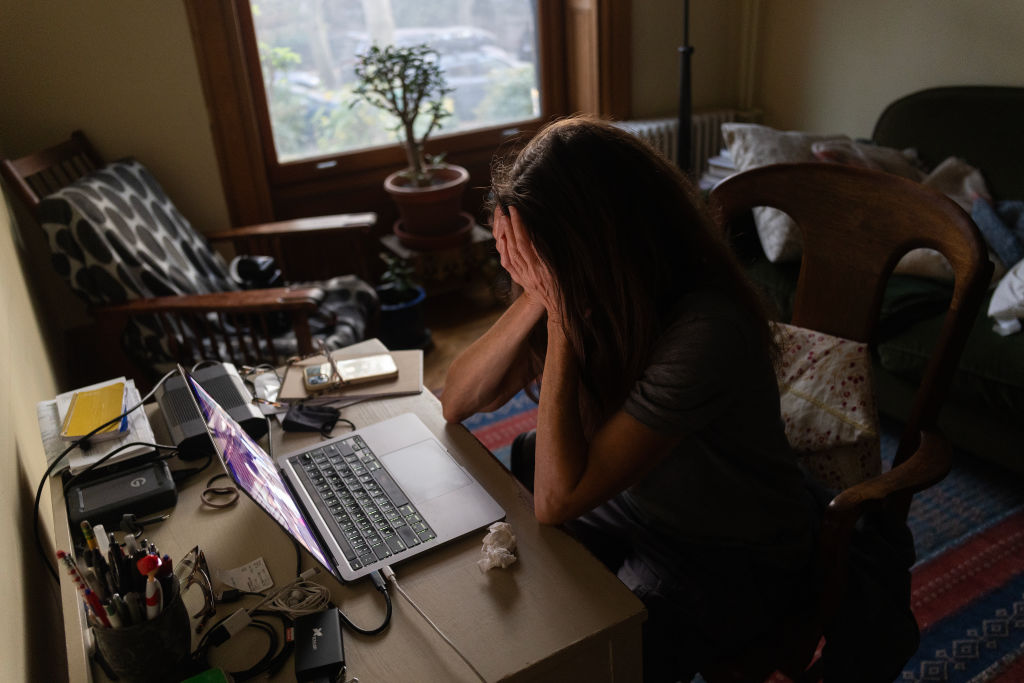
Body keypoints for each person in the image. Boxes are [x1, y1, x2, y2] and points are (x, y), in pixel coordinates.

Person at [441, 115, 819, 681]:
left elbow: (557, 500)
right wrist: (534, 297)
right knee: (523, 457)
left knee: (607, 658)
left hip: (724, 549)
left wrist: (562, 314)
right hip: (638, 501)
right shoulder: (584, 283)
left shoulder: (706, 330)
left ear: (603, 245)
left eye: (543, 257)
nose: (530, 268)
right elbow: (458, 400)